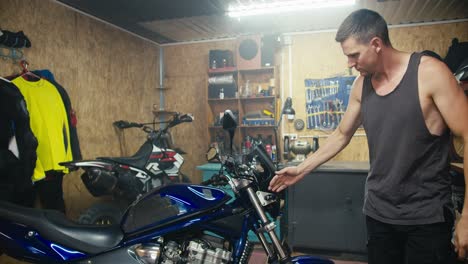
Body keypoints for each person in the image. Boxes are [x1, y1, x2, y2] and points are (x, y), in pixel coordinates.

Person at [268, 9, 468, 264]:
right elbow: (341, 134)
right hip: (379, 214)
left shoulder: (430, 73)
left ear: (376, 44)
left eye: (354, 55)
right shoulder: (361, 86)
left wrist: (467, 217)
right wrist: (301, 169)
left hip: (426, 218)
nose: (349, 63)